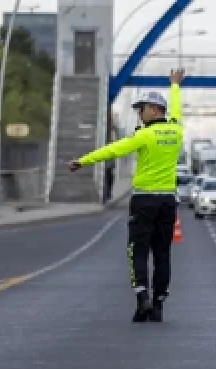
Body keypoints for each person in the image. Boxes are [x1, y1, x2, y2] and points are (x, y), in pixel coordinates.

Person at [69, 69, 185, 322]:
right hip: (167, 201)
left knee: (138, 250)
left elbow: (113, 150)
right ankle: (158, 304)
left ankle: (142, 295)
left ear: (154, 110)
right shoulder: (176, 131)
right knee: (162, 252)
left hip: (144, 200)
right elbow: (176, 109)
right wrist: (175, 86)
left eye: (141, 109)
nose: (139, 113)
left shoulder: (143, 135)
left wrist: (83, 161)